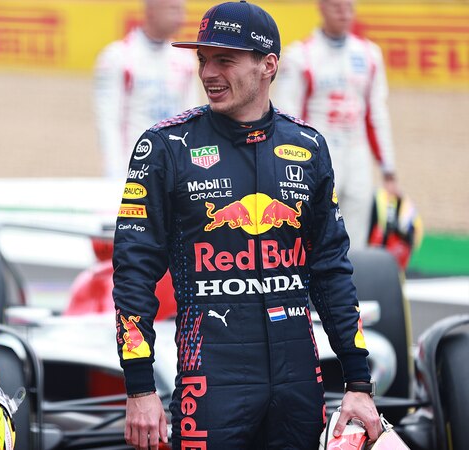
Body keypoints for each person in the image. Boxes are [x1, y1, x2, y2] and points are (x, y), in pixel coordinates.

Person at [112, 1, 381, 449]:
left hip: (298, 377)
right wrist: (139, 388)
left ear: (268, 65)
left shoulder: (309, 146)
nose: (208, 72)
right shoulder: (165, 147)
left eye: (225, 59)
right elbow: (133, 273)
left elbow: (331, 272)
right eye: (203, 59)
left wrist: (358, 382)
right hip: (211, 377)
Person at [272, 0, 398, 249]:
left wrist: (389, 170)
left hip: (357, 153)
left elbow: (376, 114)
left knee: (356, 238)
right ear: (321, 7)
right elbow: (287, 116)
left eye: (349, 6)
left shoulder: (369, 54)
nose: (344, 13)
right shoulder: (300, 54)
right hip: (318, 156)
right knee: (314, 233)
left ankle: (354, 285)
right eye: (337, 6)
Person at [94, 0, 200, 180]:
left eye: (182, 11)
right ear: (151, 11)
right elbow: (108, 120)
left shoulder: (185, 59)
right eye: (173, 10)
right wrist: (115, 172)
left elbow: (192, 120)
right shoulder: (117, 56)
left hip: (174, 171)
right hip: (132, 168)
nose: (181, 18)